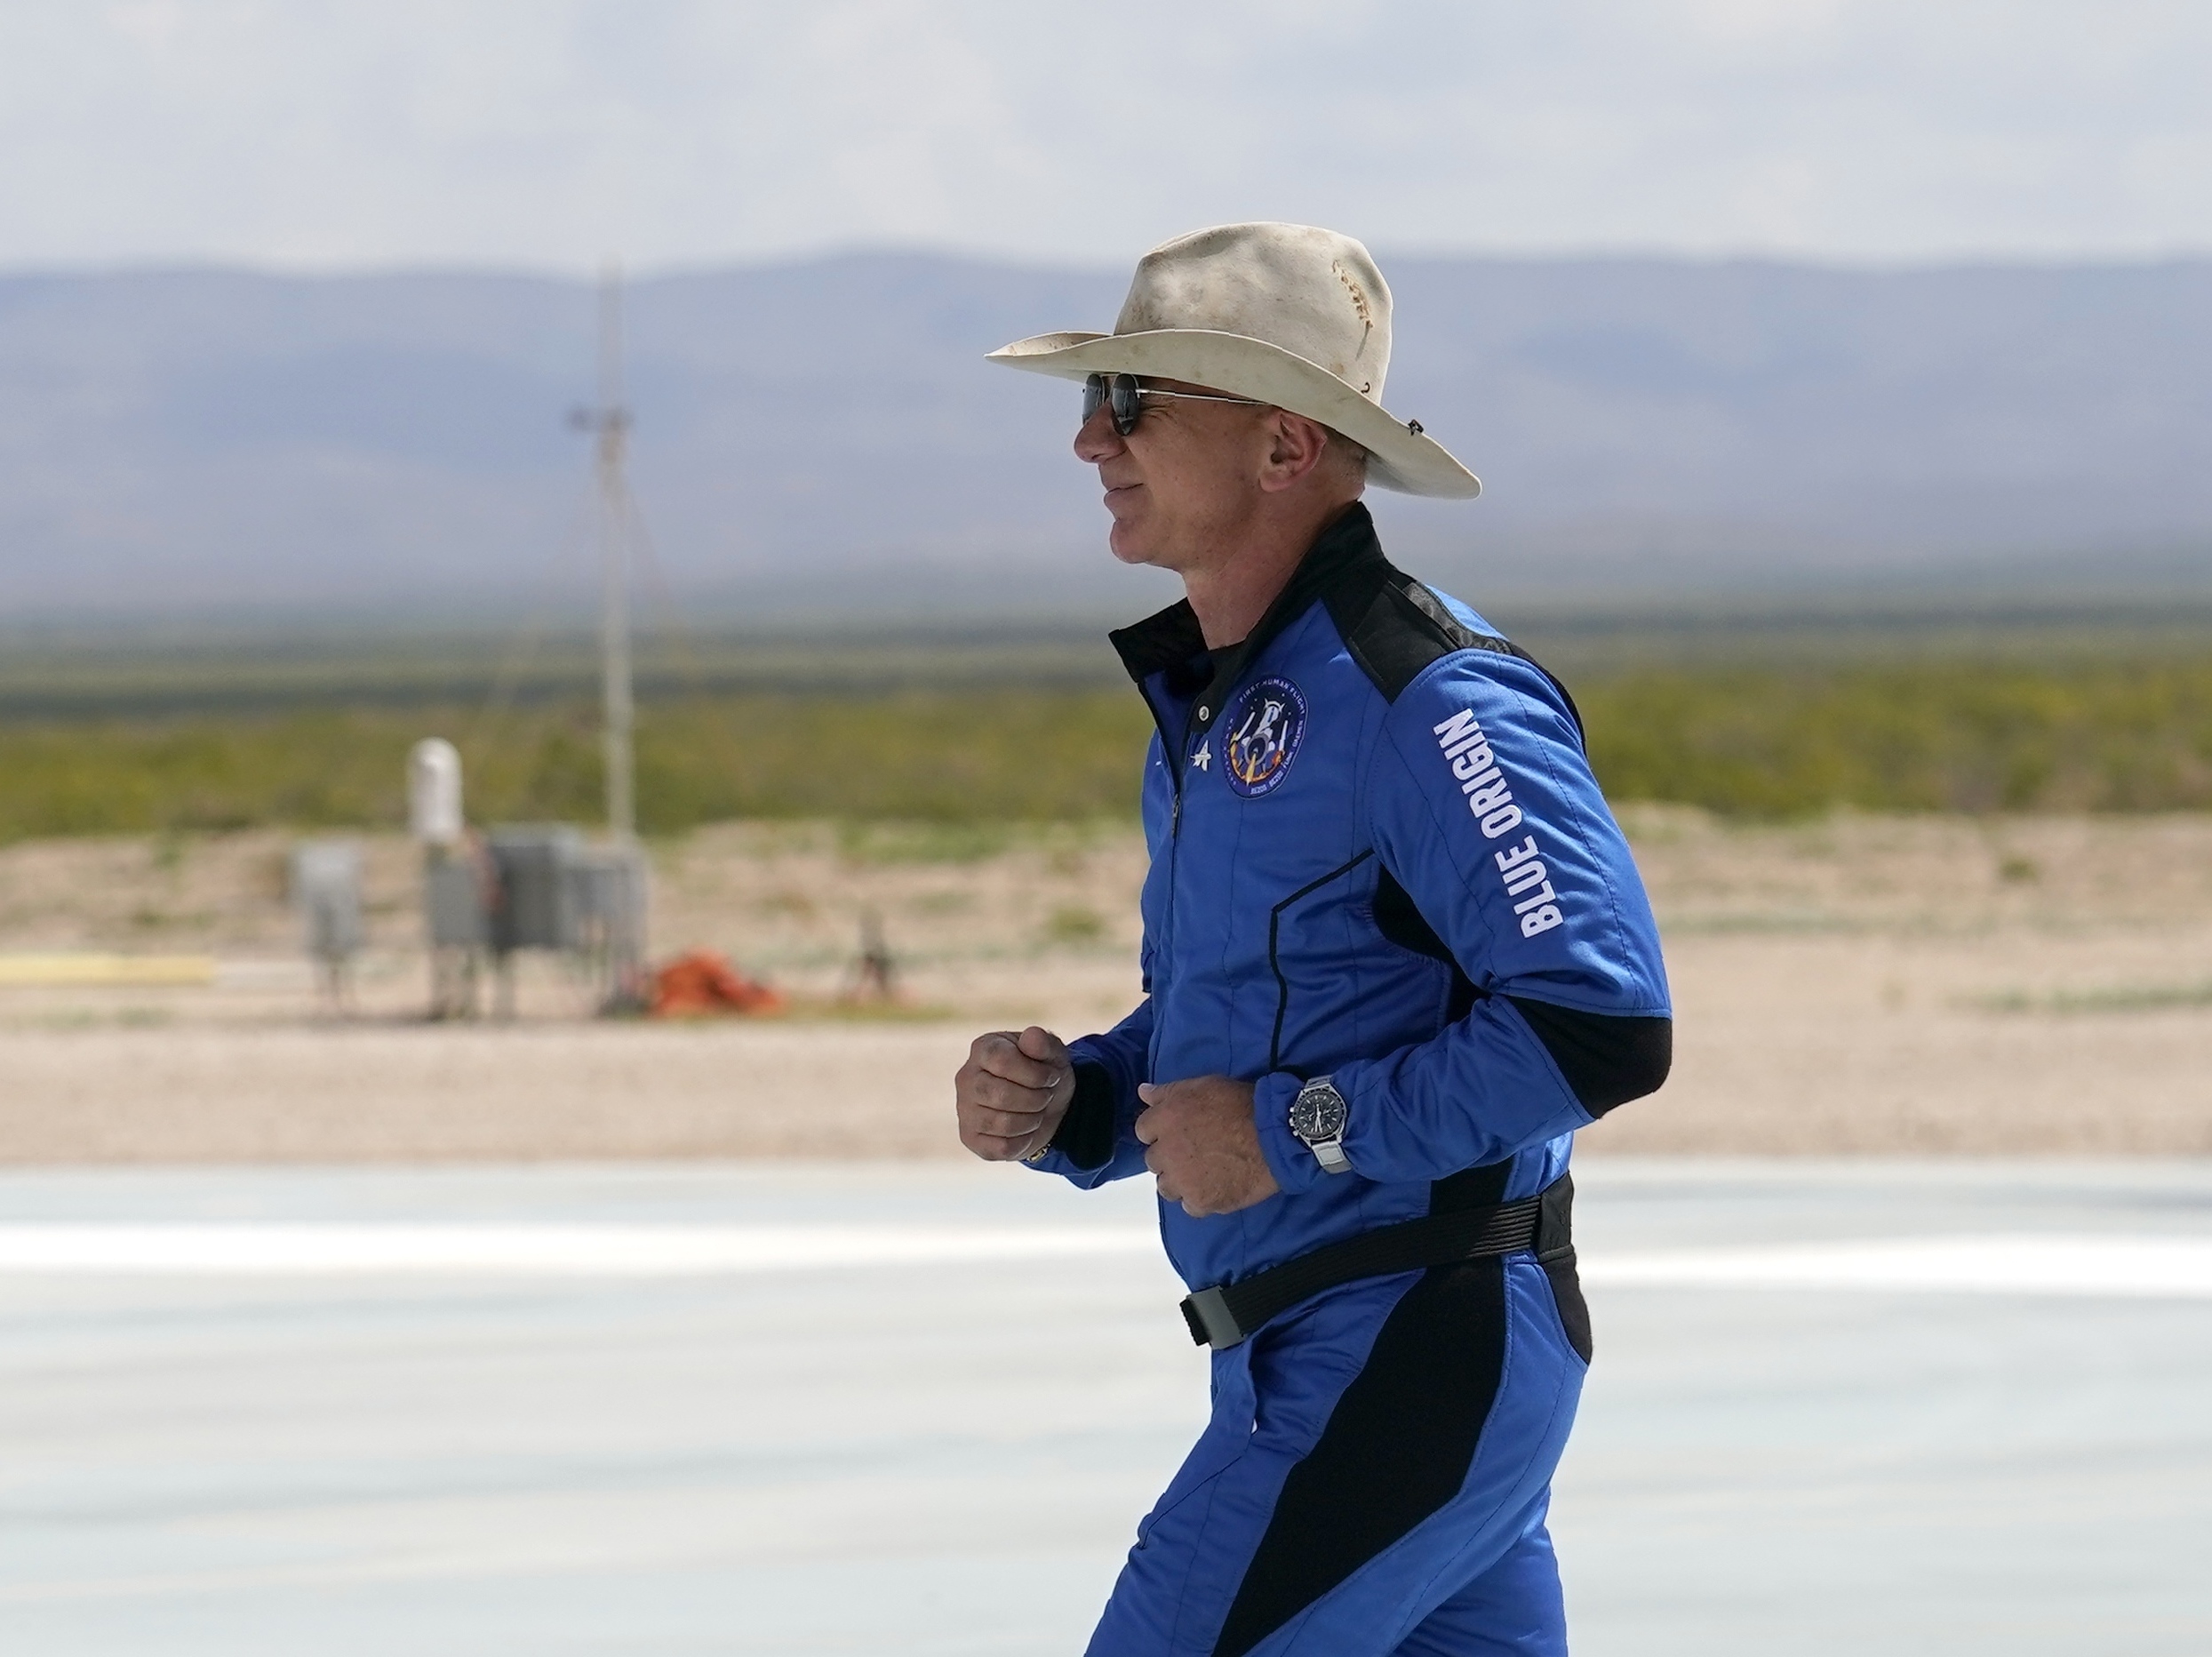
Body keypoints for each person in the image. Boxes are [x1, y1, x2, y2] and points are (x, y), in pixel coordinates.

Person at [954, 223, 1672, 1657]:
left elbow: (1599, 1028)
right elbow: (1255, 1014)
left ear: (1285, 449)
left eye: (1135, 402)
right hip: (1331, 1351)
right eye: (1090, 400)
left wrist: (1291, 1132)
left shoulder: (1432, 700)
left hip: (1409, 1353)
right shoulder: (1221, 709)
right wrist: (1085, 1100)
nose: (1092, 440)